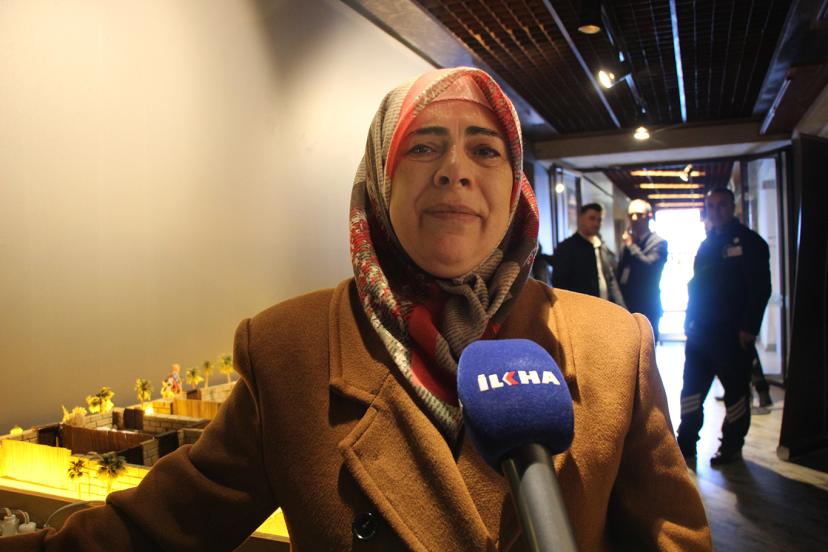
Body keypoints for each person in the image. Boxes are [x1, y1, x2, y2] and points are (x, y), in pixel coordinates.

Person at [5, 68, 710, 551]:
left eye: (485, 149)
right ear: (379, 181)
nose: (455, 169)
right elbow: (156, 531)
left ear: (515, 189)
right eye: (423, 146)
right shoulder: (289, 349)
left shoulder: (613, 345)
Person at [677, 187, 772, 466]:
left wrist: (749, 328)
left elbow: (760, 289)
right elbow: (696, 287)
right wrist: (689, 323)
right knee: (691, 392)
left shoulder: (751, 243)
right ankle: (686, 445)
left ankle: (730, 446)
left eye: (721, 205)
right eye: (711, 206)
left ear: (733, 207)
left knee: (736, 395)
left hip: (732, 335)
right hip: (700, 334)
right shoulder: (706, 244)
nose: (716, 211)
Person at [551, 203, 625, 306]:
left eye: (599, 220)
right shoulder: (566, 248)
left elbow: (610, 279)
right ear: (581, 219)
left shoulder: (601, 246)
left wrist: (621, 306)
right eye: (592, 218)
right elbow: (560, 284)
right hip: (581, 308)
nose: (596, 223)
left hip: (604, 306)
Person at [617, 199, 668, 342]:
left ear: (649, 216)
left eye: (639, 215)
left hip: (648, 306)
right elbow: (620, 273)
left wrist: (631, 246)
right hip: (627, 306)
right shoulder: (628, 243)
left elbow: (649, 268)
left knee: (648, 347)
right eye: (631, 215)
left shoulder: (659, 242)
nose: (634, 218)